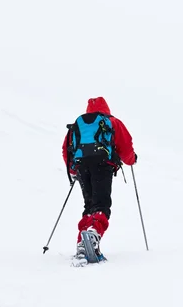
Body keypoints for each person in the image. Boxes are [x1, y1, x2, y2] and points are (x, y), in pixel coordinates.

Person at [62, 96, 137, 263]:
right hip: (102, 165)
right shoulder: (112, 122)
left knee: (89, 204)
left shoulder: (78, 125)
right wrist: (132, 160)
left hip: (82, 166)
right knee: (101, 204)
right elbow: (126, 145)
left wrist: (73, 170)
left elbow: (66, 149)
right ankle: (93, 234)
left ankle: (83, 242)